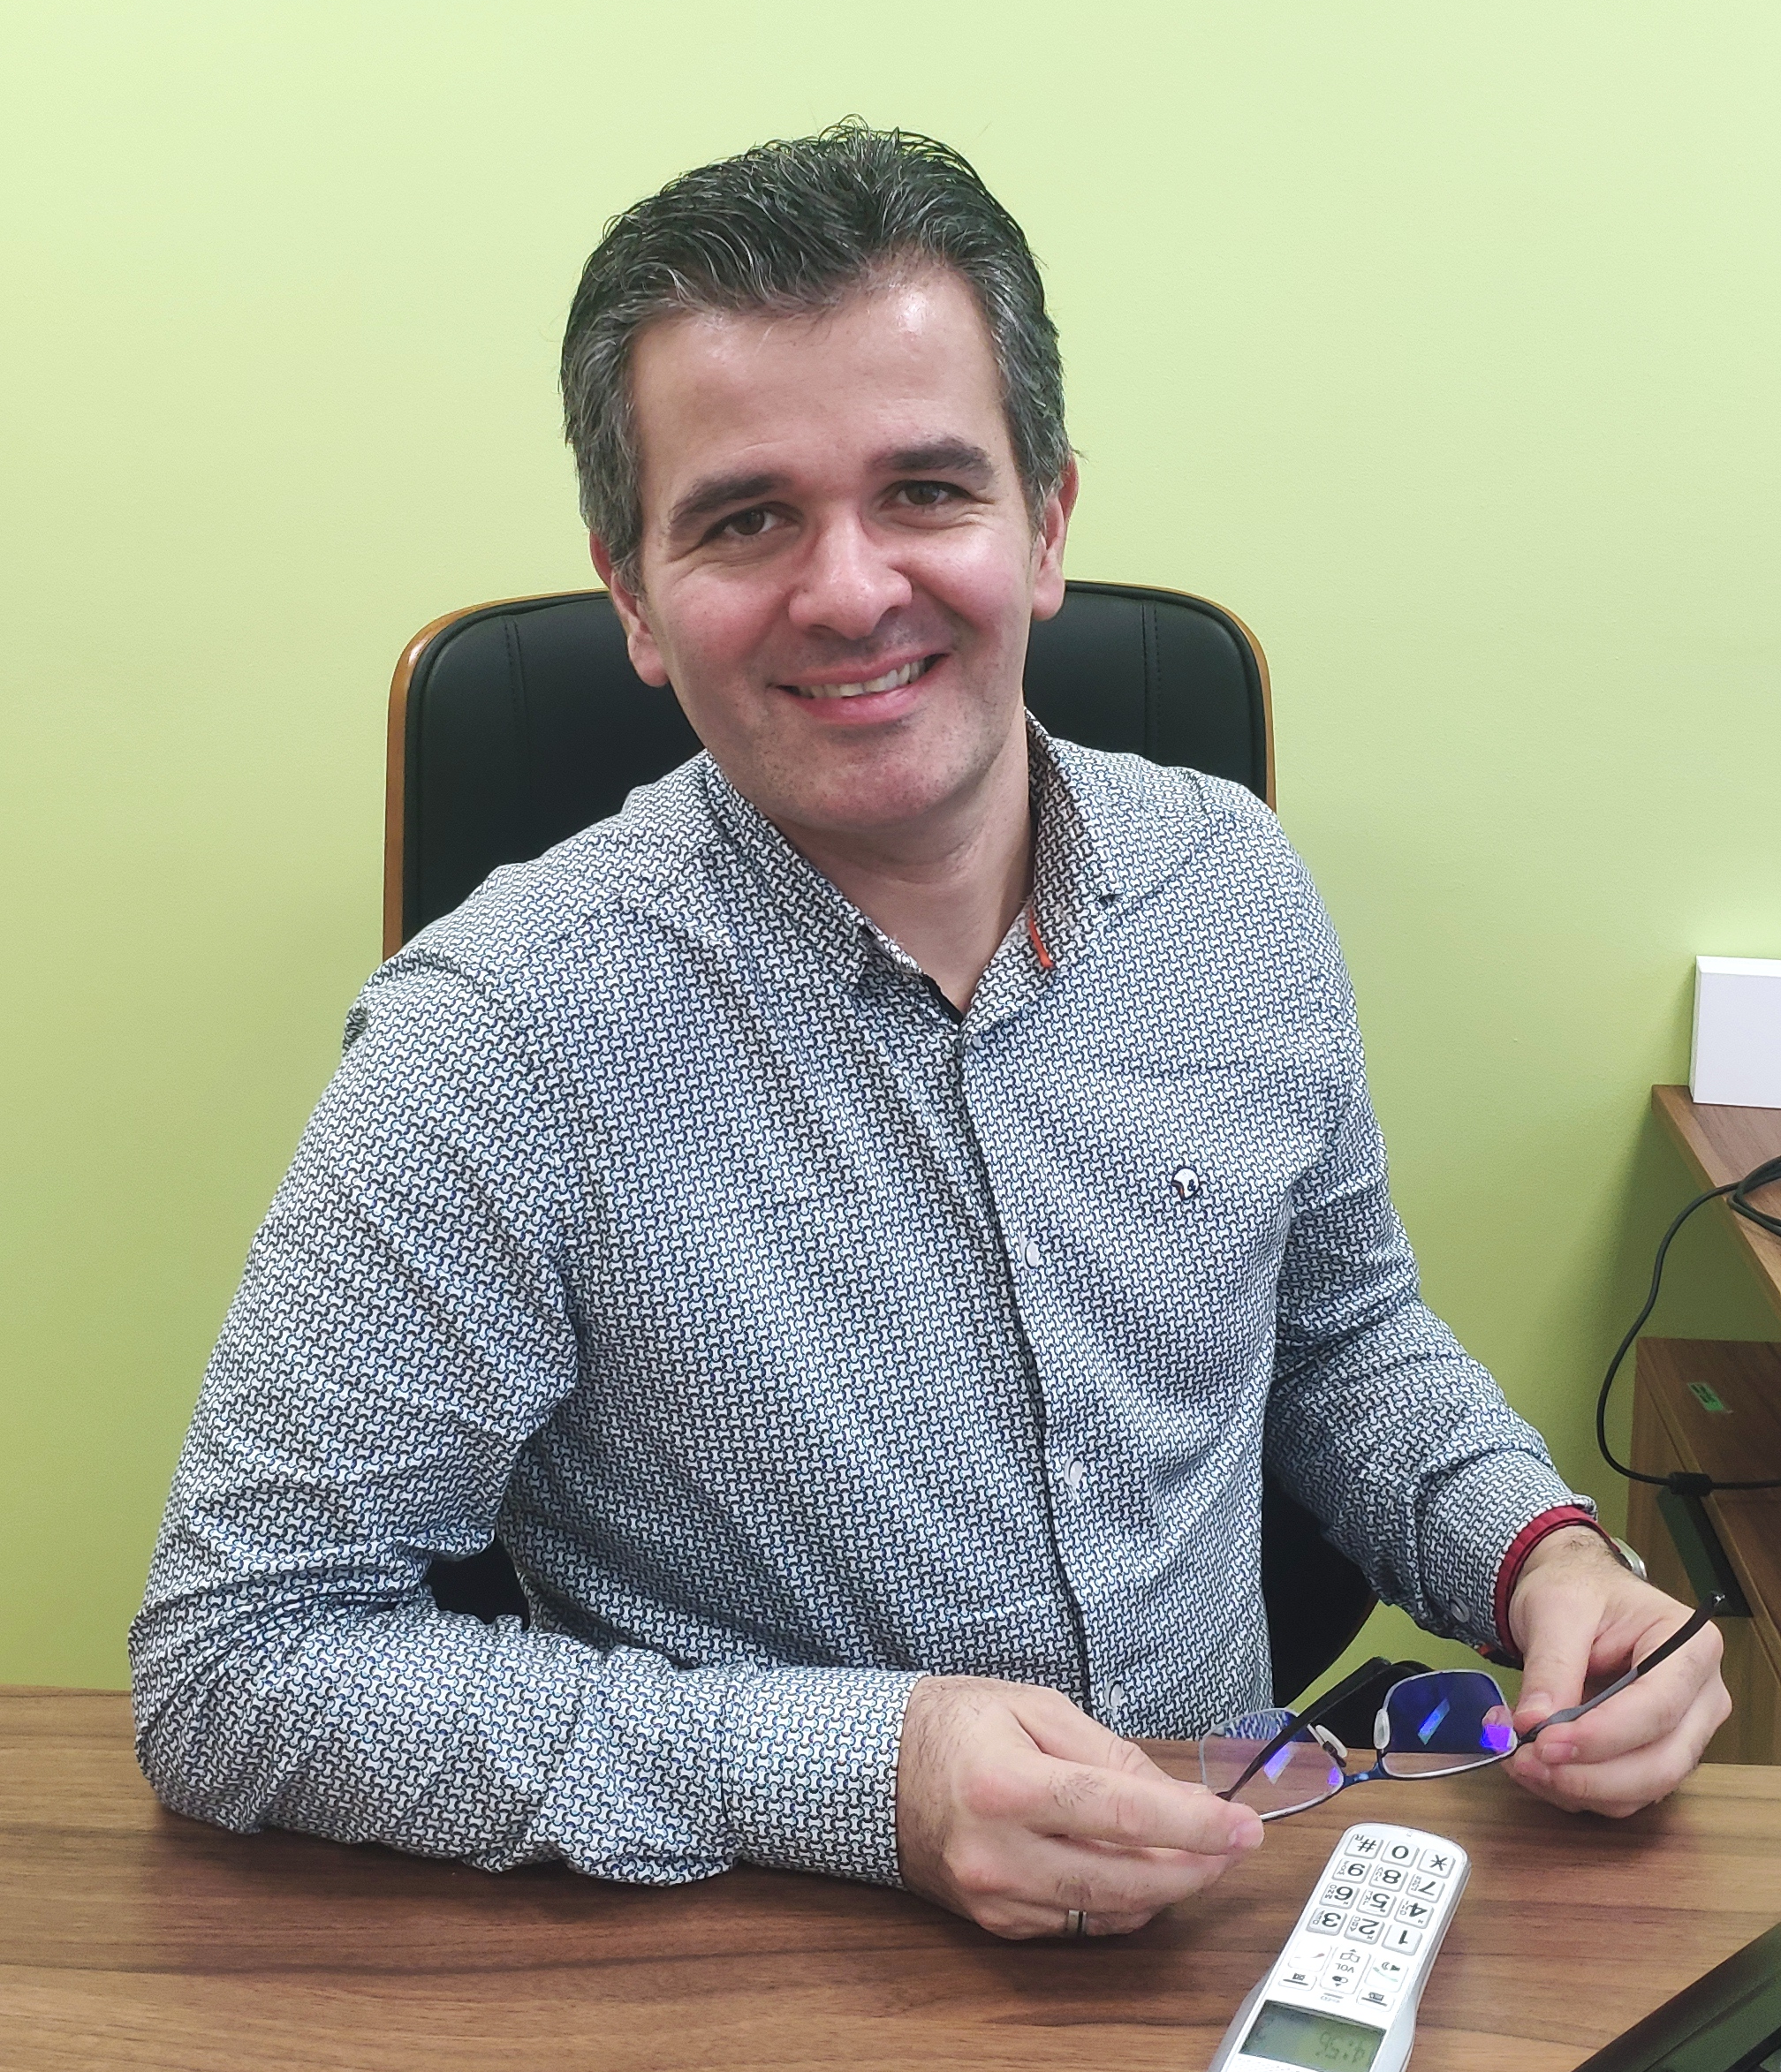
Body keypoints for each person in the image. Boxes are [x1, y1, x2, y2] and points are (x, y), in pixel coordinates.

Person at [131, 125, 1729, 1942]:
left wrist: (1545, 1555)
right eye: (746, 518)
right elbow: (237, 1663)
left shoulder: (1236, 891)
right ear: (636, 600)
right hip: (774, 1966)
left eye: (926, 491)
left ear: (1045, 522)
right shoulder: (494, 1045)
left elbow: (1339, 1336)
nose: (849, 589)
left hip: (1242, 1907)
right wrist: (859, 1779)